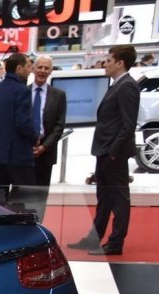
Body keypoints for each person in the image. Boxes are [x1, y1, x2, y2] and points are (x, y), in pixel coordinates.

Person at [68, 45, 140, 256]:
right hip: (105, 150)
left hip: (113, 153)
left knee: (118, 199)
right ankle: (94, 238)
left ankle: (116, 242)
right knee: (105, 198)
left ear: (120, 63)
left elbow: (128, 125)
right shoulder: (118, 85)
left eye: (108, 60)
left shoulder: (127, 86)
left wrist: (114, 151)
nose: (104, 64)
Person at [0, 53, 37, 210]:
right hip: (18, 154)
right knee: (25, 201)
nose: (31, 71)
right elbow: (23, 122)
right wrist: (34, 138)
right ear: (19, 68)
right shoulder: (22, 91)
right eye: (28, 67)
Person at [30, 55, 67, 221]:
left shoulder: (59, 95)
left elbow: (59, 126)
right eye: (40, 67)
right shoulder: (23, 93)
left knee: (40, 196)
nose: (42, 71)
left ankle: (38, 226)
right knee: (22, 195)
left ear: (51, 71)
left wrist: (44, 147)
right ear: (33, 69)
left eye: (46, 68)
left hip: (46, 153)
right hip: (24, 154)